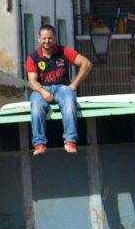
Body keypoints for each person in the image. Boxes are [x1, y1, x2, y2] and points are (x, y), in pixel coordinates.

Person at [25, 24, 93, 156]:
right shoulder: (32, 57)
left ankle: (70, 141)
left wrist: (74, 84)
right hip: (42, 89)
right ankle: (39, 144)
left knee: (69, 99)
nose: (47, 41)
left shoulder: (64, 51)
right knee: (36, 105)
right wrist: (44, 92)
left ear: (55, 38)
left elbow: (87, 64)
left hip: (62, 88)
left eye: (50, 38)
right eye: (44, 38)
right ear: (38, 39)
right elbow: (32, 81)